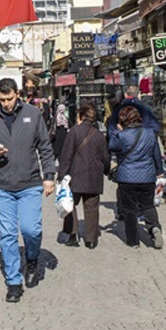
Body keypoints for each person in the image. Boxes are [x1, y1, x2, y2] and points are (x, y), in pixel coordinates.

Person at [0, 77, 56, 303]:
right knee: (8, 235)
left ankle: (31, 258)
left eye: (9, 99)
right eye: (2, 100)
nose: (6, 104)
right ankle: (13, 282)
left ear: (17, 95)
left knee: (31, 230)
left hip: (29, 183)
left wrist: (49, 176)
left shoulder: (33, 114)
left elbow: (45, 147)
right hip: (1, 184)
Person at [58, 101, 110, 249]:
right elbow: (105, 157)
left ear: (81, 116)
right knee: (92, 207)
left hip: (76, 175)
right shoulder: (99, 135)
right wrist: (106, 170)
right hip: (94, 176)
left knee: (70, 205)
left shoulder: (74, 132)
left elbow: (66, 155)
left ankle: (73, 234)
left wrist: (62, 175)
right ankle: (91, 239)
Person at [110, 106, 163, 249]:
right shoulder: (150, 133)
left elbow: (111, 146)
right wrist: (159, 171)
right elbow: (156, 154)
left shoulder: (123, 135)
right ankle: (154, 228)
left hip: (127, 177)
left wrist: (117, 132)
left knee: (129, 209)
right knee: (148, 205)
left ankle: (133, 241)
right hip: (147, 176)